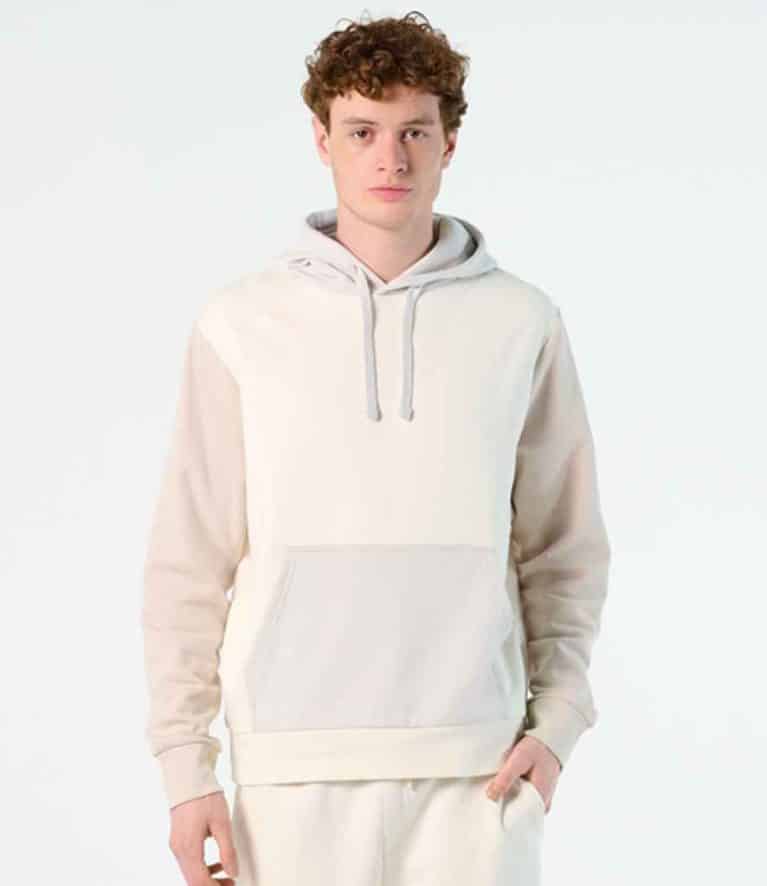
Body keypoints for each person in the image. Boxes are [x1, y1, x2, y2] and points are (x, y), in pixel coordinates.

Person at [141, 10, 611, 885]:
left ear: (449, 142)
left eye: (412, 132)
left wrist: (557, 725)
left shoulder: (521, 322)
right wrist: (185, 767)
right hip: (288, 770)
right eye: (362, 131)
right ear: (322, 140)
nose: (390, 158)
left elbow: (563, 546)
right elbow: (190, 556)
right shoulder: (241, 322)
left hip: (476, 770)